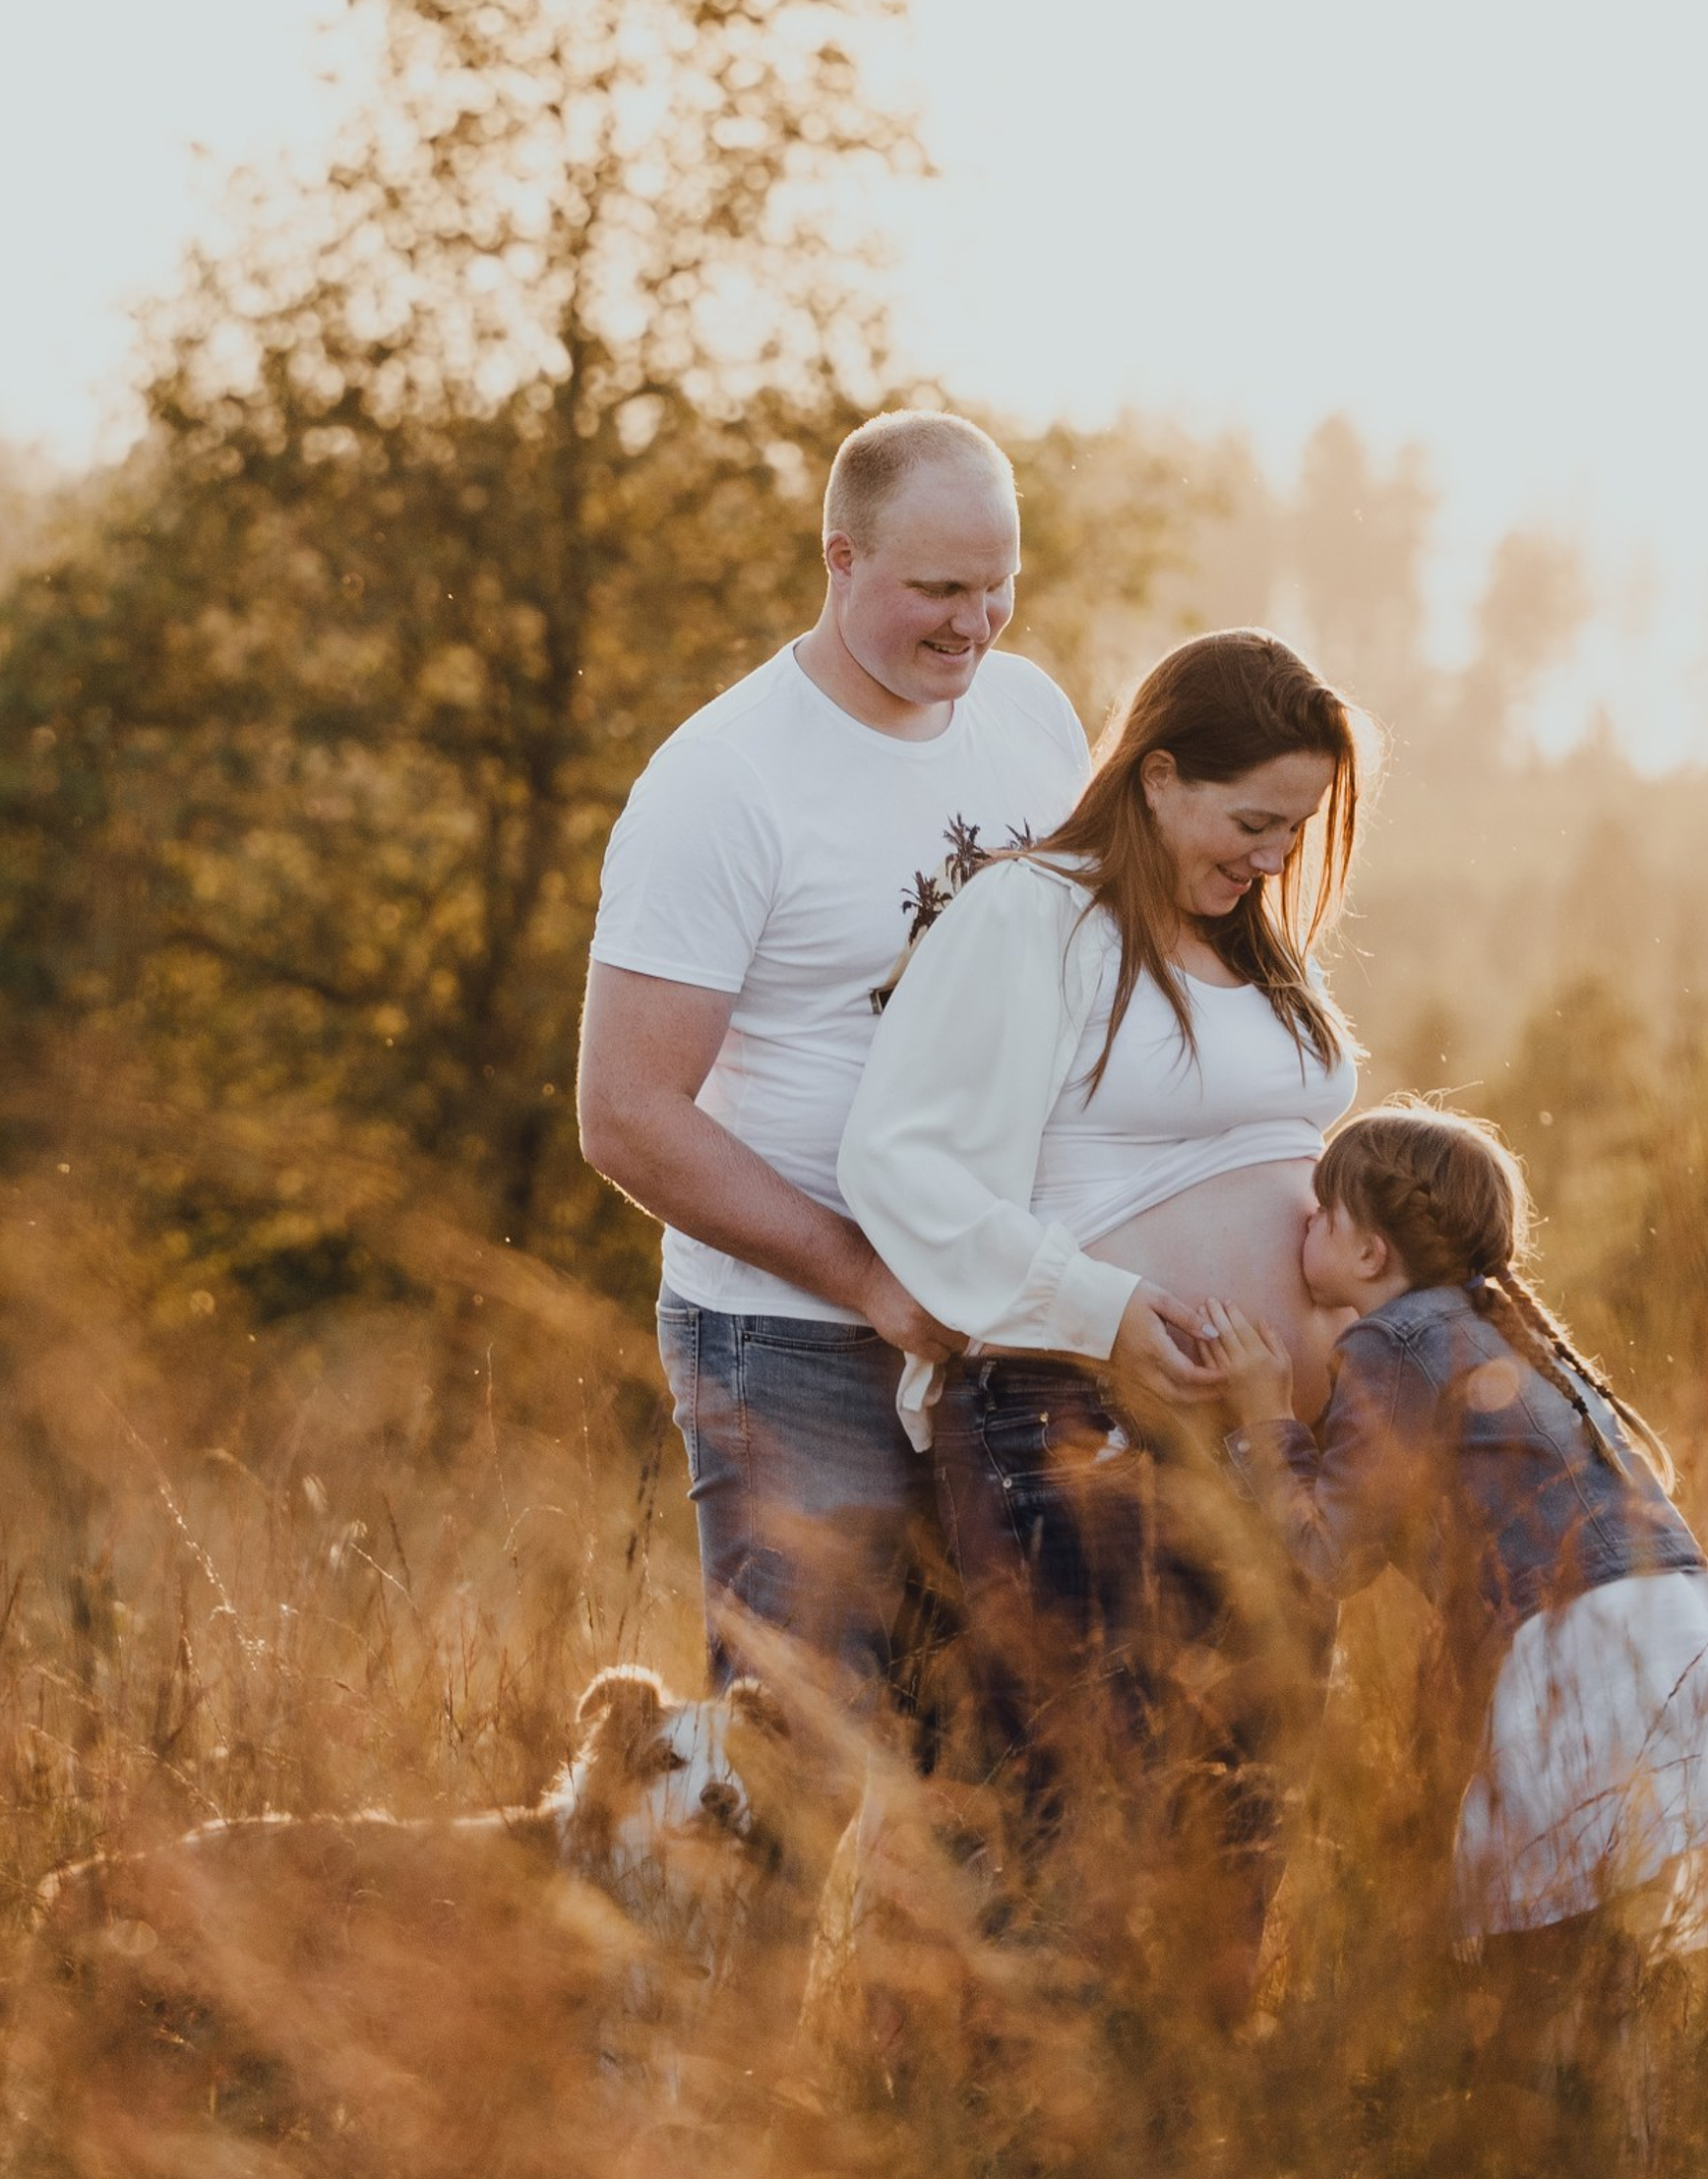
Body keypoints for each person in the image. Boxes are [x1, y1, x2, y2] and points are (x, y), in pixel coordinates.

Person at [833, 630, 1364, 1897]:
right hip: (1074, 1425)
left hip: (1262, 1449)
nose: (1276, 857)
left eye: (1297, 829)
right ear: (1157, 774)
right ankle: (1011, 2098)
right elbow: (898, 1159)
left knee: (1237, 1827)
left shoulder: (1248, 953)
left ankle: (1182, 2101)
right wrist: (1108, 1312)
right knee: (1078, 1827)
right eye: (1253, 820)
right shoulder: (1034, 913)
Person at [578, 409, 1091, 1704]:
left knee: (983, 1776)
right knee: (795, 1770)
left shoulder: (1030, 717)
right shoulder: (725, 782)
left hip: (1006, 1332)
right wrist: (863, 1273)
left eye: (999, 584)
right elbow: (628, 1113)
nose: (976, 624)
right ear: (840, 558)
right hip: (794, 1340)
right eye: (938, 589)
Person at [1206, 1105, 1708, 1968]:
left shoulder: (1392, 1342)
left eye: (1323, 1212)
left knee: (1545, 1979)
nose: (1305, 1222)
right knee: (1612, 1973)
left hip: (1582, 1650)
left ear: (1370, 1255)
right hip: (1669, 1628)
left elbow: (1330, 1555)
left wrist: (1261, 1414)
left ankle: (1557, 2108)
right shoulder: (1479, 1326)